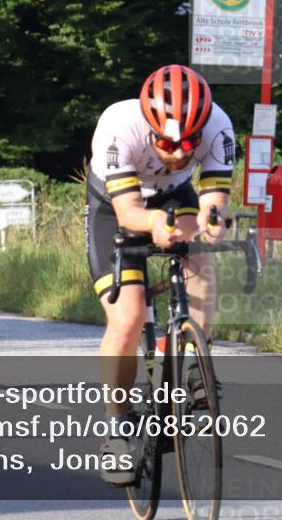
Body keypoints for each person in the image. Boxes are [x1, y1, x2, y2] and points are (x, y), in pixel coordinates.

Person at [85, 65, 235, 485]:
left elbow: (214, 198)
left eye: (189, 144)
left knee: (201, 252)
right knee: (127, 318)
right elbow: (131, 213)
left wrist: (213, 221)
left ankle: (196, 369)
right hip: (113, 206)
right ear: (149, 127)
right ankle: (116, 428)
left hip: (174, 194)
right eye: (168, 142)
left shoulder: (219, 126)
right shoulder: (118, 126)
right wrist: (156, 226)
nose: (177, 152)